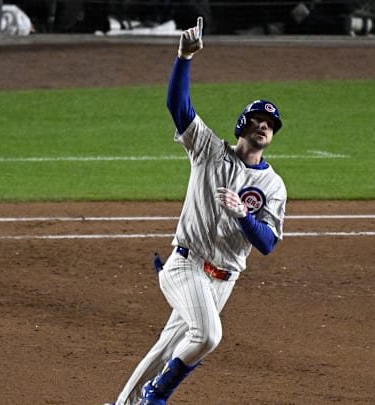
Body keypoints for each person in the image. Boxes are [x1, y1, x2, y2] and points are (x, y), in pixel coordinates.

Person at [106, 16, 287, 405]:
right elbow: (178, 105)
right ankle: (157, 395)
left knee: (165, 348)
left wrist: (243, 216)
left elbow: (268, 244)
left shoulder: (273, 186)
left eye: (270, 124)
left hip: (223, 281)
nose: (264, 126)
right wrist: (184, 56)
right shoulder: (208, 150)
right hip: (186, 264)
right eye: (258, 119)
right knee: (207, 336)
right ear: (243, 124)